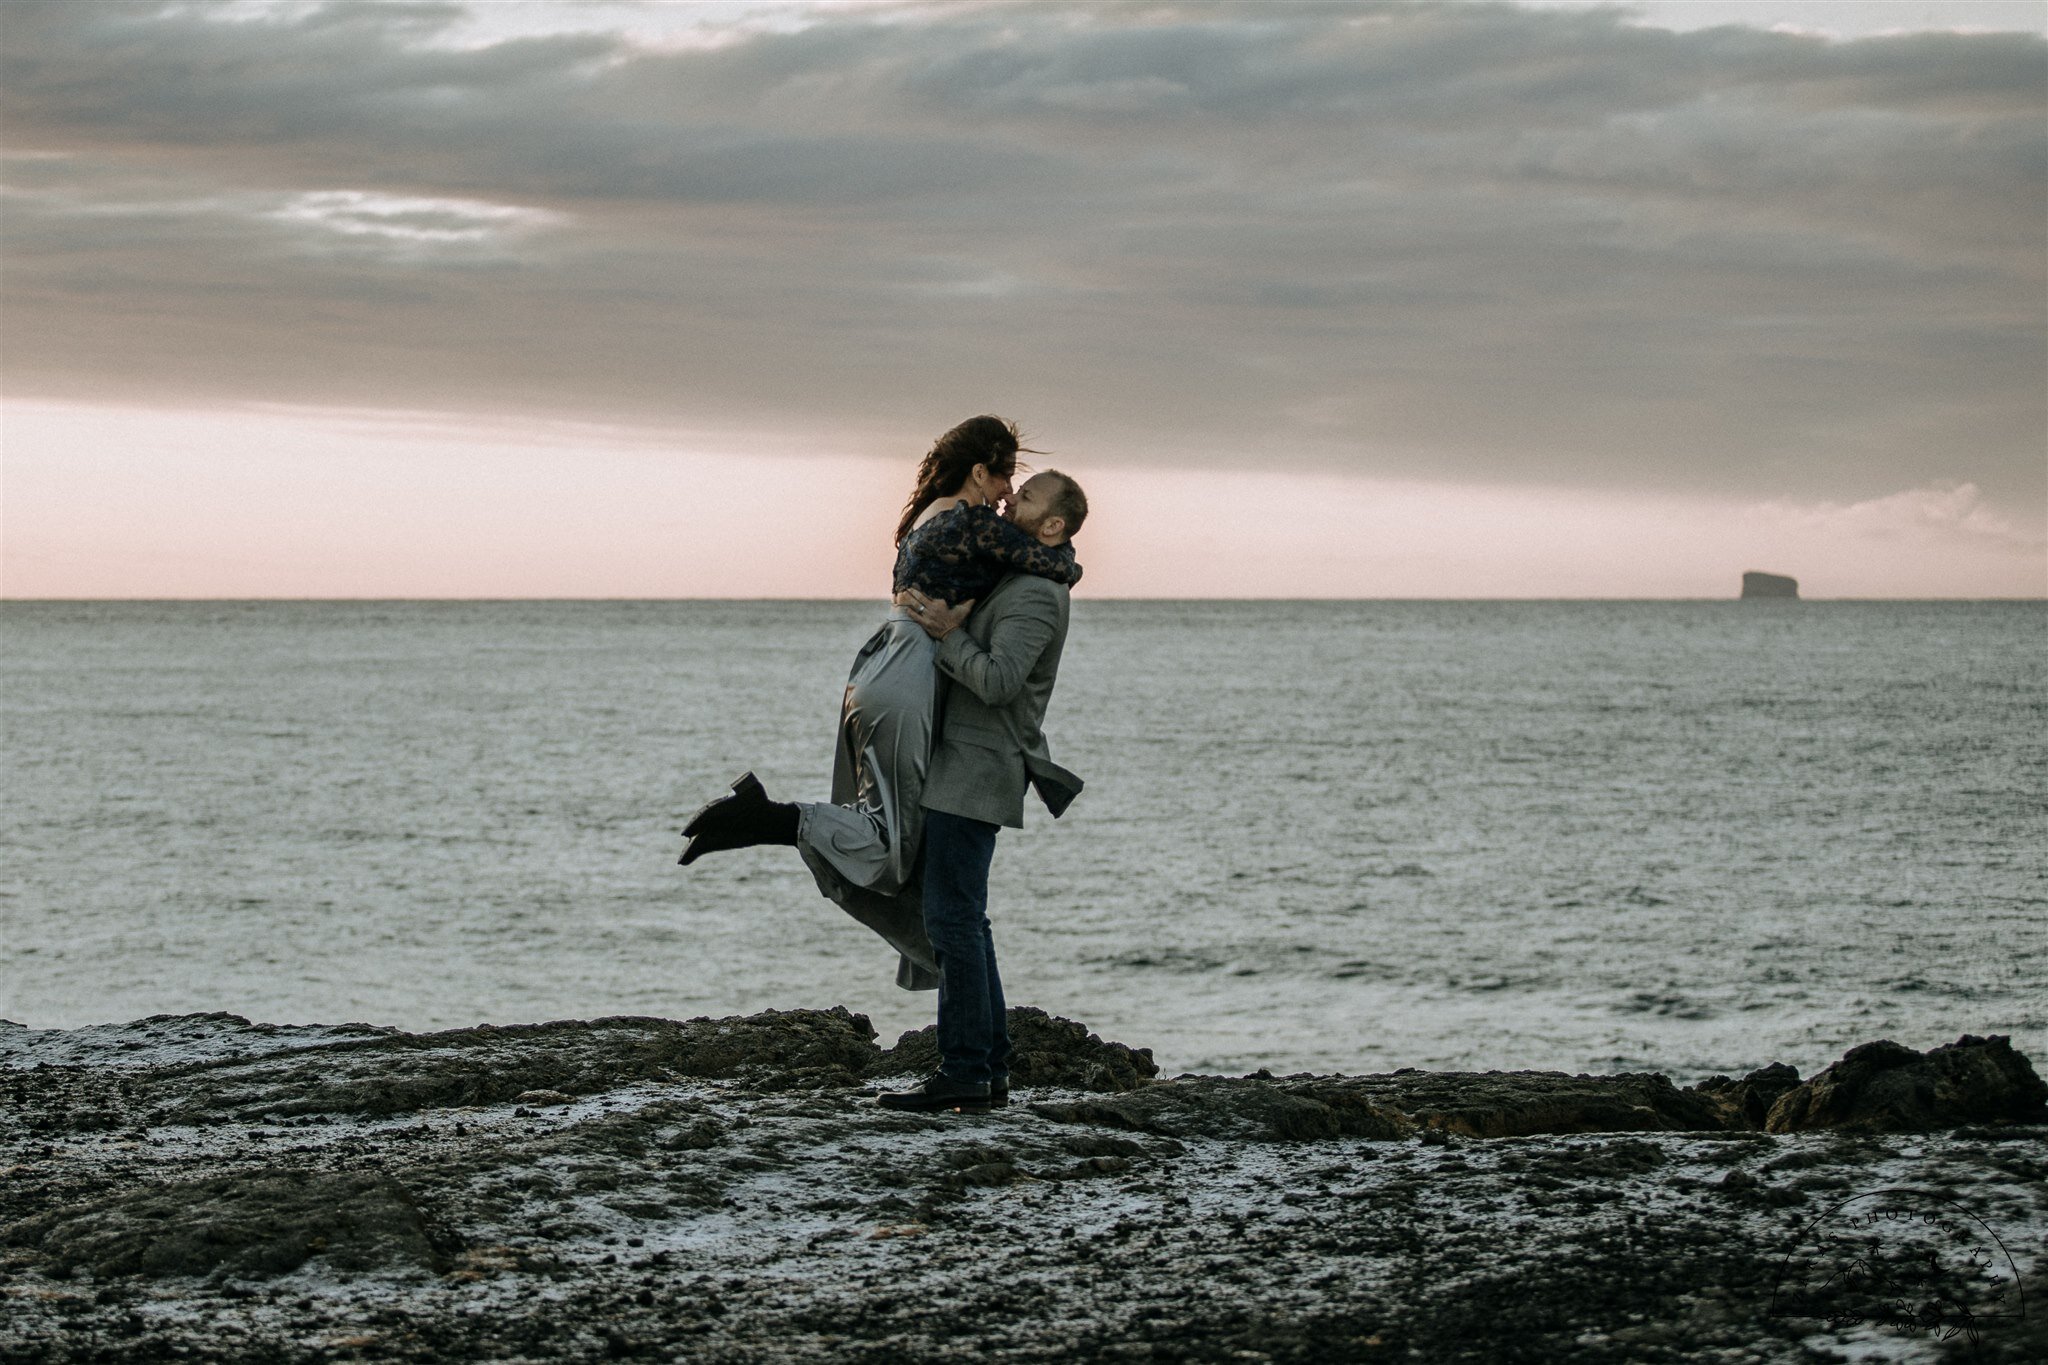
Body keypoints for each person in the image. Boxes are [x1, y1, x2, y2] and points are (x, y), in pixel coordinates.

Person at [677, 418, 1085, 1027]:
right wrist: (1066, 561)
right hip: (908, 673)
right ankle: (769, 819)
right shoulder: (971, 523)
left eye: (1022, 493)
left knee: (900, 845)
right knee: (896, 847)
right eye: (1008, 481)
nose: (1008, 495)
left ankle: (976, 1049)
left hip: (877, 668)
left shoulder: (929, 518)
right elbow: (1048, 567)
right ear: (980, 472)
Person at [874, 465, 1088, 1113]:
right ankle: (984, 1068)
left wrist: (946, 633)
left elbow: (998, 682)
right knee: (964, 919)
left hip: (977, 769)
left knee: (953, 921)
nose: (1009, 501)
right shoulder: (1021, 577)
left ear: (1052, 523)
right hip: (963, 767)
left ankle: (967, 1070)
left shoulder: (1035, 595)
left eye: (1025, 497)